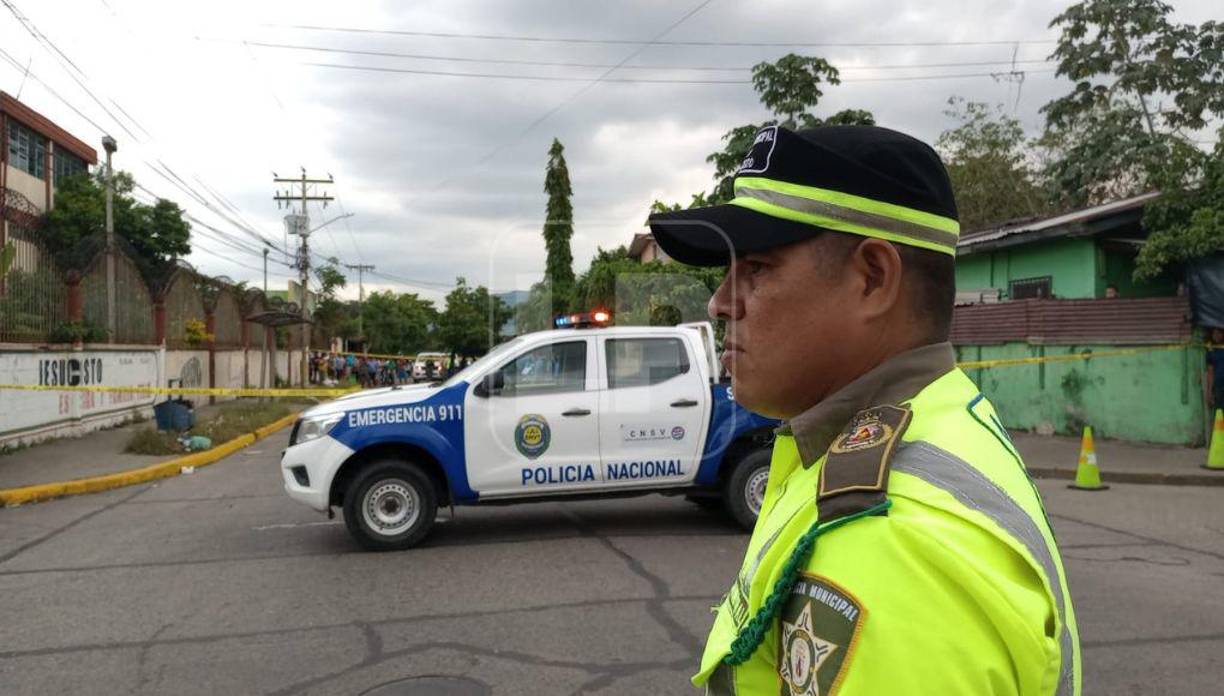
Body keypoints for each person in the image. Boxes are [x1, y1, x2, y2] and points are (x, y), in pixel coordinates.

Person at [649, 124, 1080, 696]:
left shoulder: (894, 547)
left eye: (756, 268)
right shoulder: (938, 414)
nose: (721, 301)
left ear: (873, 279)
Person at [1206, 328, 1224, 414]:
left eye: (1219, 333)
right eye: (1214, 333)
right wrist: (1209, 392)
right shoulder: (1211, 351)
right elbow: (1210, 372)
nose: (1216, 336)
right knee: (1219, 411)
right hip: (1218, 387)